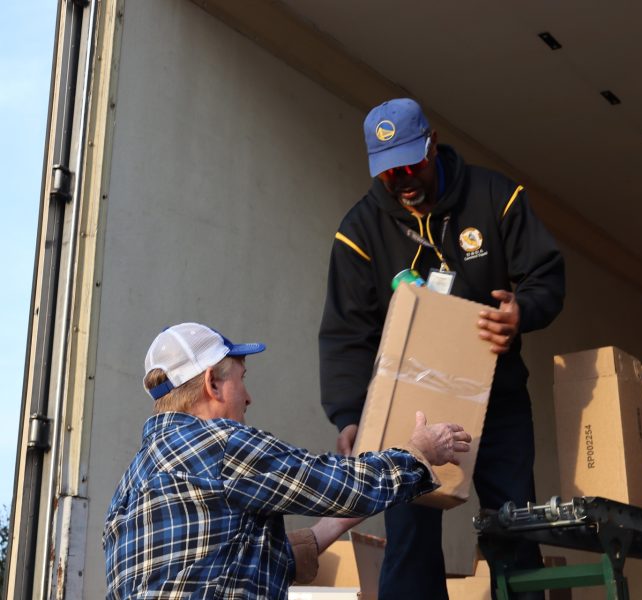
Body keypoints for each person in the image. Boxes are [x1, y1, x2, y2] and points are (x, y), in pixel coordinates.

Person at [319, 98, 565, 599]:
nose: (403, 180)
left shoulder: (495, 196)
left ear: (431, 144)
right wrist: (349, 415)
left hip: (497, 399)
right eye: (389, 173)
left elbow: (546, 274)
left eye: (411, 165)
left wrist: (521, 312)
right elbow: (346, 333)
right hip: (411, 414)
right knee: (410, 540)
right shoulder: (359, 233)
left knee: (513, 527)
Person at [103, 322, 471, 600]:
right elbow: (341, 486)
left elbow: (225, 565)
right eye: (242, 379)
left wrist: (339, 519)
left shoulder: (130, 485)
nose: (248, 397)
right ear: (212, 383)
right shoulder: (221, 445)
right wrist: (418, 454)